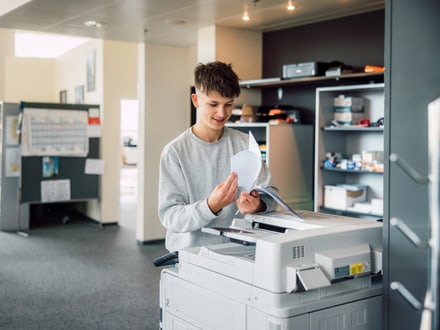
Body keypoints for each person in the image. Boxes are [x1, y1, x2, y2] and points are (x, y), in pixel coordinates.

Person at [158, 61, 277, 252]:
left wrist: (258, 205)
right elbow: (170, 216)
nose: (222, 113)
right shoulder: (175, 152)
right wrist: (210, 206)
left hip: (240, 250)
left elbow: (271, 196)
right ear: (196, 100)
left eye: (228, 104)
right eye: (213, 104)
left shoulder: (245, 144)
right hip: (191, 255)